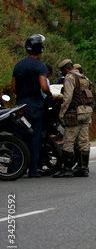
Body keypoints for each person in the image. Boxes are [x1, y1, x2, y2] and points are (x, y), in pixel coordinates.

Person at [11, 34, 52, 178]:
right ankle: (33, 171)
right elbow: (43, 86)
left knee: (18, 137)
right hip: (35, 107)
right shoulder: (40, 66)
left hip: (20, 107)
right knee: (34, 138)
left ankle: (14, 168)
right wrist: (49, 93)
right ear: (40, 49)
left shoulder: (19, 65)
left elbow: (14, 88)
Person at [52, 59, 94, 178]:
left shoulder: (70, 77)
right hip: (87, 111)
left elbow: (67, 98)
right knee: (83, 141)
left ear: (66, 68)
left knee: (68, 140)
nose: (62, 73)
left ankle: (67, 169)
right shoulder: (84, 78)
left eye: (62, 71)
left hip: (75, 113)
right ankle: (83, 168)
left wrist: (61, 114)